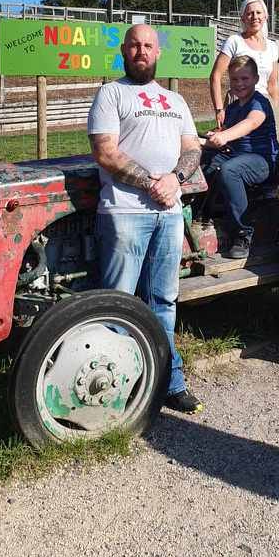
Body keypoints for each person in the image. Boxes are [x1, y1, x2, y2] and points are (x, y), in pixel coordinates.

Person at [88, 24, 203, 415]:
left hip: (169, 213)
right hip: (124, 213)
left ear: (158, 53)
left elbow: (191, 150)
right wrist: (150, 182)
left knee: (164, 302)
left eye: (148, 45)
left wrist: (175, 179)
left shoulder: (175, 100)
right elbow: (105, 152)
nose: (142, 51)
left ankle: (168, 382)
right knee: (117, 303)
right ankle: (113, 389)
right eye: (135, 45)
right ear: (124, 51)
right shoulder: (111, 94)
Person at [203, 55, 279, 259]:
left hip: (261, 161)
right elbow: (222, 132)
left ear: (255, 79)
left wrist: (224, 136)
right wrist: (200, 140)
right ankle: (205, 217)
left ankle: (244, 233)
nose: (239, 84)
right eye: (235, 79)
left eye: (244, 79)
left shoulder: (259, 102)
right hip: (236, 156)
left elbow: (251, 123)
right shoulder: (233, 108)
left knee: (230, 171)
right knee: (205, 162)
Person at [209, 0, 279, 150]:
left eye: (258, 12)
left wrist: (274, 110)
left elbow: (273, 83)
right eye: (249, 13)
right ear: (243, 18)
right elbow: (215, 76)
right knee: (241, 143)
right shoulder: (234, 41)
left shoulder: (273, 46)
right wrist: (219, 109)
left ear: (266, 16)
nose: (254, 16)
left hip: (264, 101)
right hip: (240, 98)